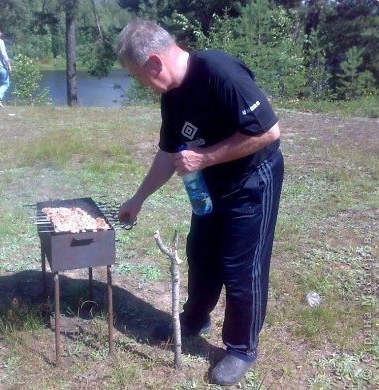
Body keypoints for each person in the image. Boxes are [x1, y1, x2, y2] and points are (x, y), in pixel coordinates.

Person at [116, 20, 284, 386]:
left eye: (138, 75)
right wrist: (138, 199)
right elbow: (168, 153)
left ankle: (241, 348)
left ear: (155, 63)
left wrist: (205, 157)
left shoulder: (219, 72)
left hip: (254, 179)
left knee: (242, 266)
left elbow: (269, 131)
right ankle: (195, 317)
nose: (141, 84)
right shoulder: (171, 96)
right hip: (211, 184)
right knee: (201, 253)